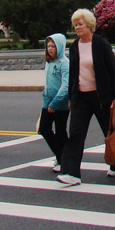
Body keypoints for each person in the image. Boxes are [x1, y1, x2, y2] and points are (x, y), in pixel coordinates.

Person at [57, 9, 115, 187]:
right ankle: (71, 173)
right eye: (75, 25)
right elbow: (73, 73)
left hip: (102, 97)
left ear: (89, 25)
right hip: (81, 97)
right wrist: (72, 97)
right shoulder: (74, 47)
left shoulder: (101, 44)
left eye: (80, 24)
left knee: (109, 132)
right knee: (76, 133)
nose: (77, 28)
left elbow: (112, 71)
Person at [39, 34, 70, 173]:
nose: (50, 49)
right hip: (48, 100)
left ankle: (64, 159)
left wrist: (55, 103)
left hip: (61, 103)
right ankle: (62, 155)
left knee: (60, 131)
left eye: (53, 46)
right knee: (44, 129)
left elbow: (65, 86)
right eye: (49, 46)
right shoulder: (49, 62)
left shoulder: (64, 63)